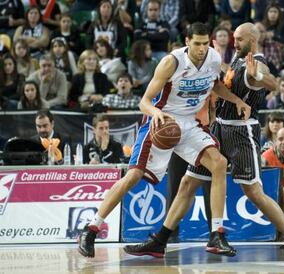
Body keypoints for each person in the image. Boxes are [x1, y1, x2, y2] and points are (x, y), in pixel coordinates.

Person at [78, 22, 251, 258]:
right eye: (196, 44)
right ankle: (91, 229)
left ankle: (216, 234)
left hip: (189, 123)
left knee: (219, 163)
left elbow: (216, 85)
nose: (201, 48)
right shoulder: (172, 62)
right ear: (187, 42)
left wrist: (236, 101)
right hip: (161, 122)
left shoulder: (213, 58)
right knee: (133, 176)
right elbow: (144, 102)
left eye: (204, 43)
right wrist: (156, 113)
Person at [171, 23, 284, 259]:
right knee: (188, 182)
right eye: (234, 38)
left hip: (241, 133)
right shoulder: (237, 58)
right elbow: (228, 81)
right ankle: (163, 237)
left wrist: (259, 75)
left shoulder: (255, 62)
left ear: (252, 40)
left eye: (240, 39)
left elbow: (271, 82)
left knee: (254, 192)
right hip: (218, 129)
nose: (235, 43)